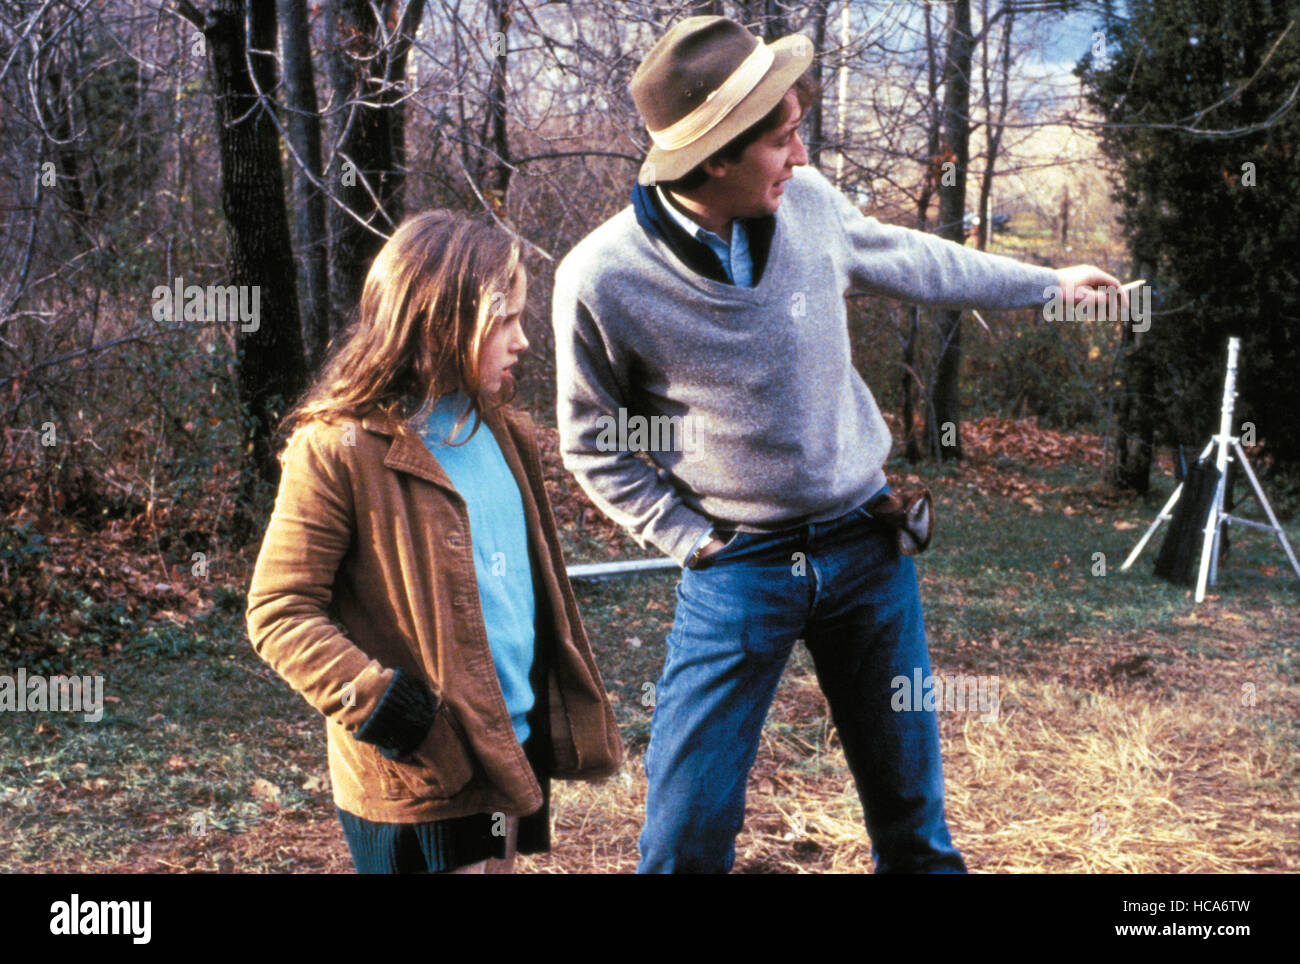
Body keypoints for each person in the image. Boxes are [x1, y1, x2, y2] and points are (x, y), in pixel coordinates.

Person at [551, 15, 1123, 873]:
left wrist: (1048, 286)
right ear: (714, 158)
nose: (802, 157)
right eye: (783, 142)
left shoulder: (810, 209)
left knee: (914, 824)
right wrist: (688, 538)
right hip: (738, 567)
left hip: (867, 546)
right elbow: (594, 439)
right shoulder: (604, 278)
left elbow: (919, 261)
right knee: (684, 837)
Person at [247, 210, 622, 874]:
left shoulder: (504, 430)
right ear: (441, 320)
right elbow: (279, 612)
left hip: (512, 743)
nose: (524, 341)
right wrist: (398, 716)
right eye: (505, 321)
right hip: (424, 768)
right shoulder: (338, 447)